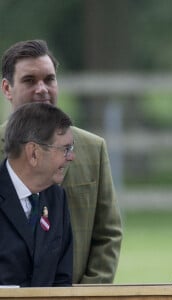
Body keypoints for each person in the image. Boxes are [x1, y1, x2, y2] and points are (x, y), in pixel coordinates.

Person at [0, 40, 122, 284]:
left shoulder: (92, 149)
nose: (42, 89)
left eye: (49, 79)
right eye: (29, 80)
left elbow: (107, 234)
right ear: (7, 88)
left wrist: (87, 294)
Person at [0, 102, 74, 287]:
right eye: (65, 149)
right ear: (34, 153)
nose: (71, 157)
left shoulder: (57, 199)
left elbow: (62, 280)